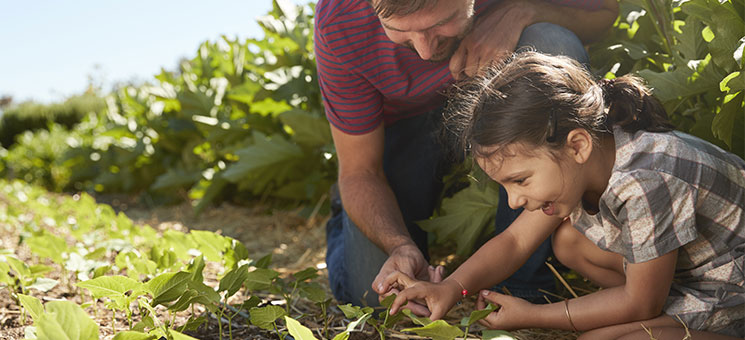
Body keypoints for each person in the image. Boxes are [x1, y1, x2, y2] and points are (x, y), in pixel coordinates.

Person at [383, 51, 745, 339]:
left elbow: (641, 303)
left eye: (520, 180)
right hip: (692, 274)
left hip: (732, 289)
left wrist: (537, 316)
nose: (513, 201)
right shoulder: (589, 156)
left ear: (577, 145)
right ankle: (658, 312)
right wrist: (451, 287)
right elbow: (514, 241)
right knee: (569, 241)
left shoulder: (645, 182)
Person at [315, 0, 620, 310]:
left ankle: (521, 288)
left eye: (440, 23)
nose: (424, 51)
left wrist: (523, 12)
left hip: (501, 109)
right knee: (372, 298)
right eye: (399, 30)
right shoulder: (340, 19)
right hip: (404, 135)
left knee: (553, 42)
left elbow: (603, 16)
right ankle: (349, 218)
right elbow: (359, 171)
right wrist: (398, 245)